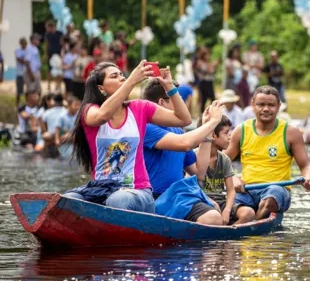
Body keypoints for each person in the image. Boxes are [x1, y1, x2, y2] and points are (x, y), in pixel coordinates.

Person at [64, 61, 193, 213]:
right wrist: (132, 80)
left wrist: (169, 87)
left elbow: (184, 119)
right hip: (100, 189)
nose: (122, 78)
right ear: (101, 88)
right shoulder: (90, 110)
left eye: (122, 75)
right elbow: (102, 116)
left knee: (118, 199)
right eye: (114, 76)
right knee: (67, 200)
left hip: (137, 191)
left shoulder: (140, 107)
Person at [225, 86, 310, 222]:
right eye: (261, 104)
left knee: (271, 197)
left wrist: (307, 178)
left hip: (277, 190)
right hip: (246, 190)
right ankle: (238, 226)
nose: (266, 109)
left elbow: (305, 165)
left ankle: (251, 226)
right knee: (227, 203)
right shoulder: (241, 130)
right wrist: (233, 179)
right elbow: (222, 162)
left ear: (278, 107)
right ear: (253, 105)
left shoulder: (291, 132)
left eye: (271, 105)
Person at [141, 78, 226, 198]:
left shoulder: (177, 131)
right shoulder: (146, 128)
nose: (183, 104)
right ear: (162, 102)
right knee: (212, 216)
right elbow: (185, 143)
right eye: (178, 99)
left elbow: (199, 172)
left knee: (215, 209)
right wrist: (213, 121)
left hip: (176, 196)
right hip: (153, 197)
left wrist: (208, 129)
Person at [195, 115, 241, 224]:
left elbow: (231, 190)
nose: (230, 137)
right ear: (213, 136)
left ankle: (227, 234)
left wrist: (227, 210)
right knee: (213, 217)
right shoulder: (193, 156)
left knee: (248, 213)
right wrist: (213, 204)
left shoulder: (224, 158)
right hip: (201, 203)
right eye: (226, 133)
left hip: (221, 202)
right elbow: (191, 189)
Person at [194, 47, 217, 113]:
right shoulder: (200, 62)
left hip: (210, 82)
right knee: (204, 99)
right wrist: (213, 66)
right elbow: (207, 70)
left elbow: (213, 71)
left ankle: (213, 112)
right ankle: (202, 113)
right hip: (204, 82)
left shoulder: (208, 63)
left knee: (212, 98)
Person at [44, 21, 64, 92]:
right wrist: (46, 55)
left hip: (58, 54)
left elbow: (62, 43)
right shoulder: (47, 34)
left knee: (59, 70)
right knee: (49, 70)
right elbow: (46, 44)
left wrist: (62, 54)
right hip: (50, 54)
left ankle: (57, 85)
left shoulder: (60, 34)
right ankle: (49, 85)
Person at [15, 38, 28, 107]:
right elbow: (18, 59)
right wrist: (26, 62)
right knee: (19, 91)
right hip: (19, 73)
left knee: (28, 90)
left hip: (26, 73)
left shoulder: (28, 51)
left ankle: (27, 104)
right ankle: (17, 104)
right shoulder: (18, 50)